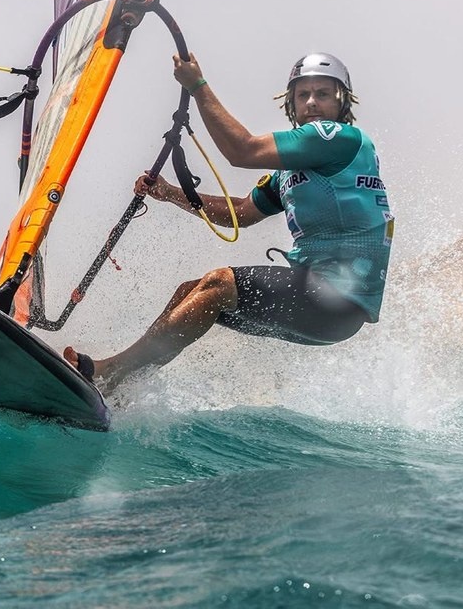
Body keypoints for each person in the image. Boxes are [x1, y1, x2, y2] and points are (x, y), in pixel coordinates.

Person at [64, 51, 394, 392]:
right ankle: (123, 390)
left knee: (220, 283)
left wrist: (197, 87)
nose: (311, 102)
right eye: (302, 95)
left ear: (342, 103)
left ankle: (109, 372)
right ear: (290, 104)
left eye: (323, 94)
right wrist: (171, 193)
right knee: (190, 293)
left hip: (338, 302)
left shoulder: (338, 138)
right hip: (315, 303)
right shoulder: (290, 173)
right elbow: (241, 214)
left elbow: (243, 150)